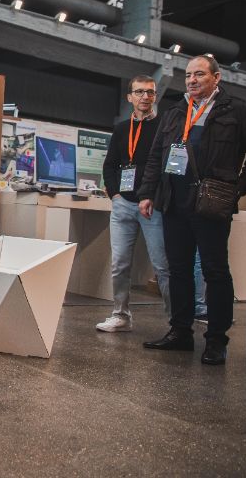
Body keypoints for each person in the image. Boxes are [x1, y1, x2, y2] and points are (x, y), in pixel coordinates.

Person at [139, 55, 246, 364]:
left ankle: (216, 339)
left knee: (214, 271)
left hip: (212, 203)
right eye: (188, 75)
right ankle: (180, 332)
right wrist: (148, 193)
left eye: (199, 74)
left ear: (217, 78)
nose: (191, 80)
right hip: (174, 201)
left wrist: (235, 189)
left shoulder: (235, 109)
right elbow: (156, 155)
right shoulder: (176, 111)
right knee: (179, 270)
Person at [96, 75, 170, 333]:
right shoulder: (121, 128)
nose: (145, 97)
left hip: (152, 207)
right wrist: (114, 195)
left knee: (162, 265)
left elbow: (164, 167)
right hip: (123, 205)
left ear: (155, 96)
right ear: (130, 97)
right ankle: (121, 315)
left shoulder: (163, 126)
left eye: (150, 92)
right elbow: (109, 165)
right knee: (120, 264)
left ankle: (176, 323)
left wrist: (155, 197)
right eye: (139, 92)